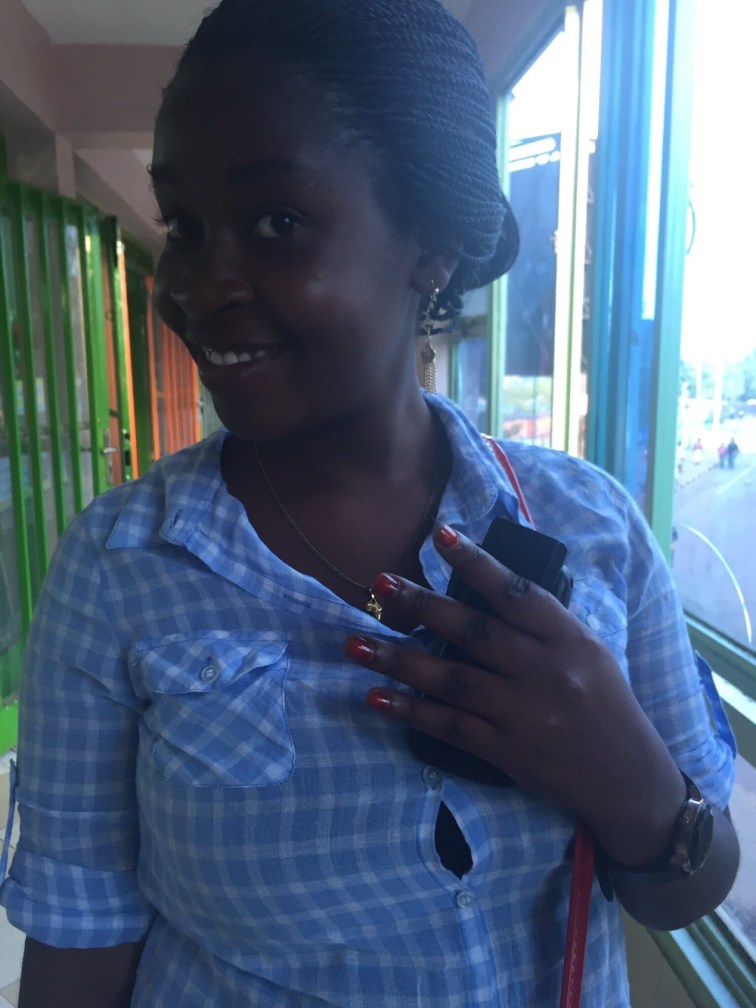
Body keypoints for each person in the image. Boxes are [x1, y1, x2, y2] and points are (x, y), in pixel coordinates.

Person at [0, 2, 739, 1006]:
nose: (200, 285)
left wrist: (628, 776)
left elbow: (692, 888)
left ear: (431, 246)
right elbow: (78, 955)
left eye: (277, 223)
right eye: (185, 227)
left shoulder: (588, 527)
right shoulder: (121, 565)